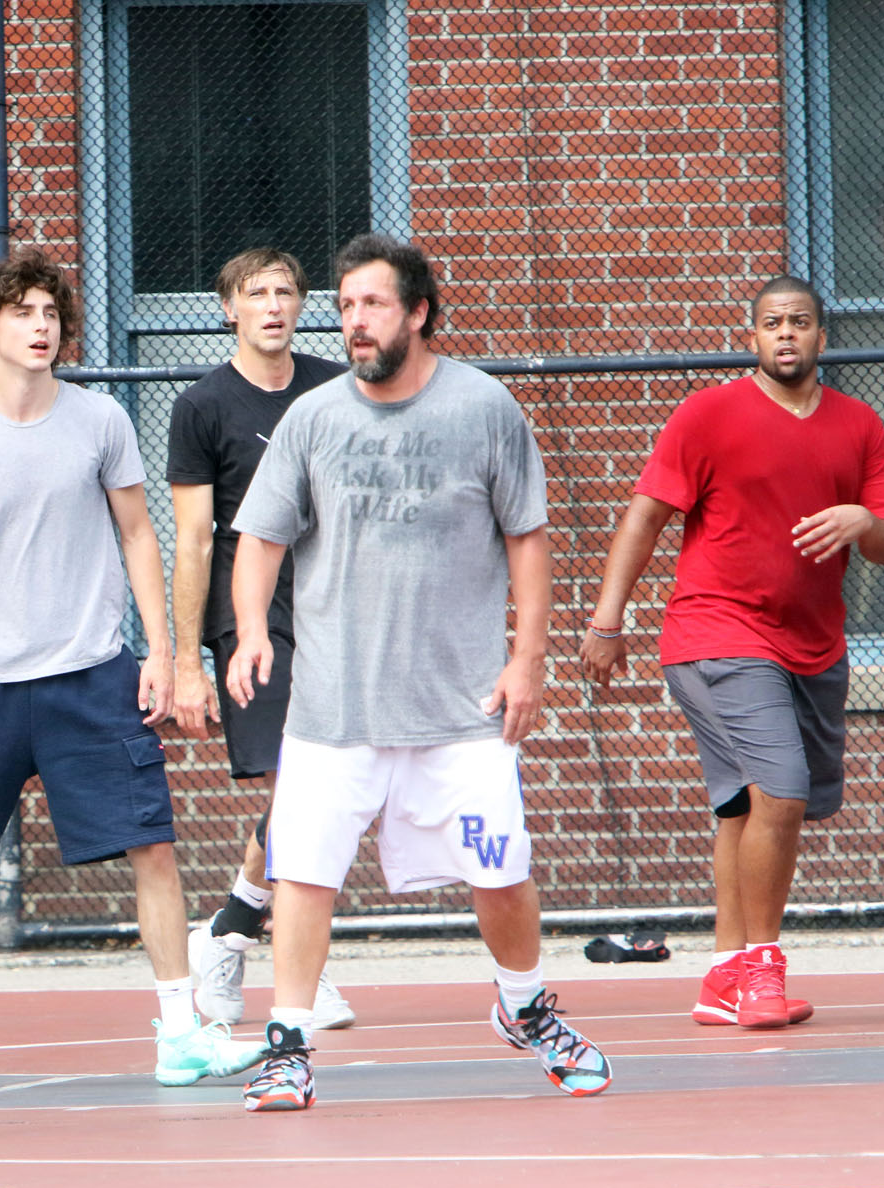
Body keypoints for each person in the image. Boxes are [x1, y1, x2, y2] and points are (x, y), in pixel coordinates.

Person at [0, 248, 268, 1097]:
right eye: (23, 314)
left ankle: (181, 1036)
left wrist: (161, 652)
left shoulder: (101, 421)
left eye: (50, 313)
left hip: (91, 676)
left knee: (153, 848)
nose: (40, 327)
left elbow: (139, 536)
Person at [227, 233, 613, 1111]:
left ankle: (524, 1008)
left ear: (419, 313)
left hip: (461, 709)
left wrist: (527, 661)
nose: (354, 322)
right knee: (303, 874)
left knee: (500, 870)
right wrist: (251, 631)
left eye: (372, 304)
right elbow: (261, 538)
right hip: (334, 710)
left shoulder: (484, 409)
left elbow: (527, 538)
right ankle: (288, 1044)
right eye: (346, 306)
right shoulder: (314, 418)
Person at [580, 276, 884, 1030]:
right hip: (717, 632)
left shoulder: (859, 425)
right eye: (772, 323)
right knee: (782, 793)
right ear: (752, 337)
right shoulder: (709, 414)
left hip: (813, 647)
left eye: (800, 321)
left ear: (822, 335)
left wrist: (862, 520)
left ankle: (723, 979)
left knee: (747, 807)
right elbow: (645, 518)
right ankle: (762, 971)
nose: (786, 333)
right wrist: (607, 621)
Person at [167, 247, 354, 1030]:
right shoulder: (203, 405)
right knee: (300, 786)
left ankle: (231, 930)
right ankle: (289, 959)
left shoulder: (336, 388)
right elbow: (193, 539)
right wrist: (186, 662)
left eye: (285, 292)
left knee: (325, 788)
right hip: (252, 616)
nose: (273, 305)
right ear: (229, 309)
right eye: (256, 293)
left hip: (332, 609)